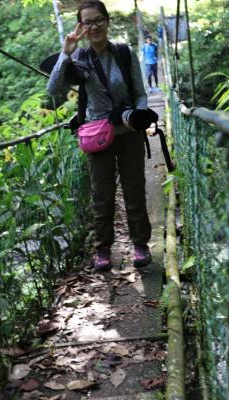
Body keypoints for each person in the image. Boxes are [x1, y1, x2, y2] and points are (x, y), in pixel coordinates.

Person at [47, 0, 152, 271]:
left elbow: (140, 92)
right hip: (96, 134)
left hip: (128, 133)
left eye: (98, 20)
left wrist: (137, 117)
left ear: (107, 21)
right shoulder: (79, 57)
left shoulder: (124, 53)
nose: (93, 27)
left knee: (134, 189)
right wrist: (65, 53)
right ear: (81, 27)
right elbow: (53, 89)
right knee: (101, 195)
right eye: (87, 22)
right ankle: (103, 249)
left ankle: (140, 244)